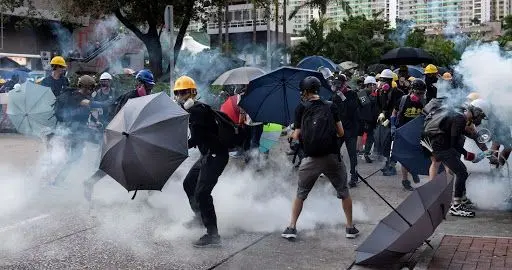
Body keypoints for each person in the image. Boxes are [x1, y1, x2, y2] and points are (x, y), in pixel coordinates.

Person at [281, 76, 358, 241]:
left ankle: (291, 227)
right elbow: (341, 133)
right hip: (332, 157)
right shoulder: (331, 106)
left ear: (307, 91)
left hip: (311, 159)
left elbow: (296, 136)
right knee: (344, 192)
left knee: (301, 194)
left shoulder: (301, 108)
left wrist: (291, 134)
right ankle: (350, 228)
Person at [83, 70, 155, 202]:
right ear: (139, 84)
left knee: (143, 162)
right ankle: (89, 182)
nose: (150, 90)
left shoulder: (143, 98)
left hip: (129, 135)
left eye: (151, 87)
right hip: (118, 134)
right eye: (148, 86)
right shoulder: (130, 98)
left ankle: (150, 195)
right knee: (112, 165)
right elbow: (120, 118)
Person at [174, 75, 229, 248]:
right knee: (189, 183)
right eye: (178, 93)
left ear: (192, 93)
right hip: (207, 155)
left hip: (216, 156)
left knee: (202, 193)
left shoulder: (197, 110)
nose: (180, 97)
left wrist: (178, 147)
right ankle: (199, 218)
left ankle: (213, 236)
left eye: (183, 93)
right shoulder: (194, 110)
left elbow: (195, 139)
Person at [423, 98, 492, 217]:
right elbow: (454, 143)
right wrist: (469, 155)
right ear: (476, 112)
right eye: (481, 116)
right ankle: (456, 206)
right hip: (440, 145)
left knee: (460, 170)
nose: (480, 119)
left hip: (436, 142)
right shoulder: (460, 118)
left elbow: (472, 135)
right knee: (461, 173)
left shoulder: (460, 115)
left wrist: (487, 153)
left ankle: (462, 199)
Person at [51, 75, 105, 185]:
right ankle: (58, 181)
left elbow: (88, 111)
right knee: (75, 157)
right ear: (86, 87)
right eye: (91, 88)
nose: (91, 91)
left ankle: (58, 180)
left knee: (76, 157)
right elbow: (89, 104)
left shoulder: (83, 97)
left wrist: (96, 122)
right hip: (74, 130)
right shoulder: (77, 96)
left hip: (79, 129)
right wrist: (108, 103)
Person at [394, 79, 427, 191]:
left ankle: (413, 171)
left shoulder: (424, 102)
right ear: (412, 90)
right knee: (405, 157)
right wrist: (393, 126)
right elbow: (395, 112)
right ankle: (405, 181)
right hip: (404, 133)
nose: (420, 95)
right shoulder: (403, 100)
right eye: (418, 93)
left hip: (417, 133)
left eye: (422, 93)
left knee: (416, 156)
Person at [330, 74, 360, 187]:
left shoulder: (352, 94)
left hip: (351, 129)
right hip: (339, 129)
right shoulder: (334, 95)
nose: (337, 87)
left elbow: (353, 109)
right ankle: (337, 174)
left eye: (339, 84)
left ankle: (354, 176)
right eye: (335, 84)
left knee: (352, 154)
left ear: (344, 84)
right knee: (334, 152)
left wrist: (343, 97)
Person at [376, 69, 405, 176]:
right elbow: (379, 106)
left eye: (383, 80)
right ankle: (387, 163)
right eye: (381, 80)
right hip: (384, 121)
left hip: (394, 122)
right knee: (385, 143)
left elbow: (399, 108)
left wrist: (393, 121)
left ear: (389, 81)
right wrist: (381, 115)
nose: (381, 82)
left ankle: (392, 166)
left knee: (394, 144)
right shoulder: (380, 92)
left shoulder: (398, 93)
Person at [358, 76, 379, 163]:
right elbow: (366, 106)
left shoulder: (371, 94)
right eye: (373, 85)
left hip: (370, 120)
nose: (374, 87)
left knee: (371, 137)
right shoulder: (362, 93)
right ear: (369, 85)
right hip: (364, 120)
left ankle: (366, 153)